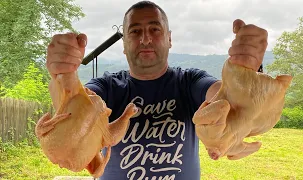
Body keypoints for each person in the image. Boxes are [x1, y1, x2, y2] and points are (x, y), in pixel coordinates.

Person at [46, 1, 268, 179]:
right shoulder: (108, 86)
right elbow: (74, 107)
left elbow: (226, 99)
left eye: (155, 28)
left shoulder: (189, 81)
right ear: (123, 45)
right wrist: (62, 76)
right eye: (134, 31)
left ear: (169, 38)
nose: (145, 39)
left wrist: (246, 72)